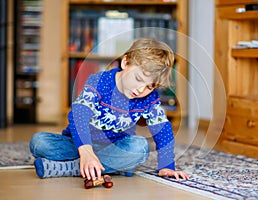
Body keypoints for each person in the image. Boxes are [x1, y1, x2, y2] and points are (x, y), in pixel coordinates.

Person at [30, 38, 189, 181]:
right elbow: (79, 114)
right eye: (138, 79)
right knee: (39, 142)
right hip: (78, 143)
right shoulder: (100, 81)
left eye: (150, 86)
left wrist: (167, 165)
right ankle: (114, 166)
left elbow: (162, 129)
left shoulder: (149, 98)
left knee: (140, 148)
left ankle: (72, 168)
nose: (141, 90)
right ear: (125, 62)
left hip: (114, 146)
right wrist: (86, 151)